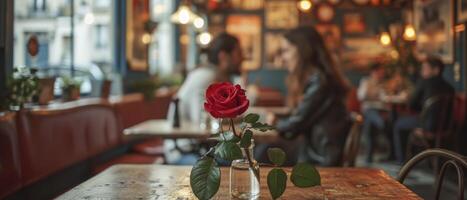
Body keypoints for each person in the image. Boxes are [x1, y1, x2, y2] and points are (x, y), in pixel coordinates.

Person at [269, 26, 351, 166]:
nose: (283, 58)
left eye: (286, 51)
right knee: (264, 151)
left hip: (320, 159)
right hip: (314, 151)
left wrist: (274, 123)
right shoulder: (319, 78)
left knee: (263, 152)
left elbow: (295, 124)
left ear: (303, 51)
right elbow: (300, 118)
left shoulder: (320, 82)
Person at [165, 33, 244, 164]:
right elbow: (204, 121)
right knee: (235, 163)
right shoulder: (205, 77)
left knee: (239, 160)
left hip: (202, 149)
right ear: (223, 56)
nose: (242, 58)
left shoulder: (216, 77)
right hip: (183, 151)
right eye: (238, 53)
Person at [393, 55, 455, 163]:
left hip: (427, 126)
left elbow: (412, 105)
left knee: (398, 124)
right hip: (446, 127)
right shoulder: (450, 87)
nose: (422, 71)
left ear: (436, 70)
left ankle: (402, 161)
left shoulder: (424, 82)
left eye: (425, 68)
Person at [357, 63, 388, 163]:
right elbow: (362, 96)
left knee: (369, 124)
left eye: (383, 72)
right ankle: (383, 123)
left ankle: (368, 157)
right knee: (375, 118)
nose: (382, 74)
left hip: (381, 110)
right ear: (373, 72)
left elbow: (386, 97)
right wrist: (375, 91)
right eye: (380, 72)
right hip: (369, 109)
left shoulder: (384, 83)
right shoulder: (366, 81)